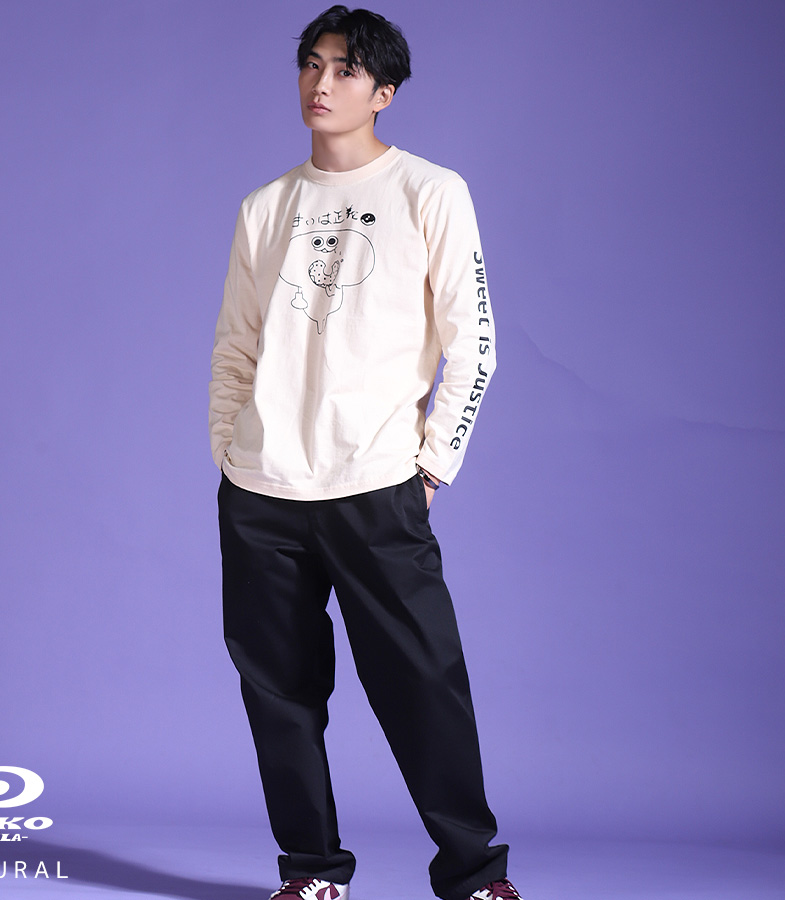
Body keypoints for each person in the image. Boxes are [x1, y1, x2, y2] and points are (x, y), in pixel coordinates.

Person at [209, 6, 521, 900]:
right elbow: (235, 347)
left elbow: (474, 341)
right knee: (280, 694)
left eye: (345, 69)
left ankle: (474, 876)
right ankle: (311, 873)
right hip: (262, 491)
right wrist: (232, 448)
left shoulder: (431, 191)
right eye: (312, 63)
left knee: (424, 684)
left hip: (379, 483)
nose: (321, 82)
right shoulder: (265, 207)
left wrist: (433, 464)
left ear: (383, 92)